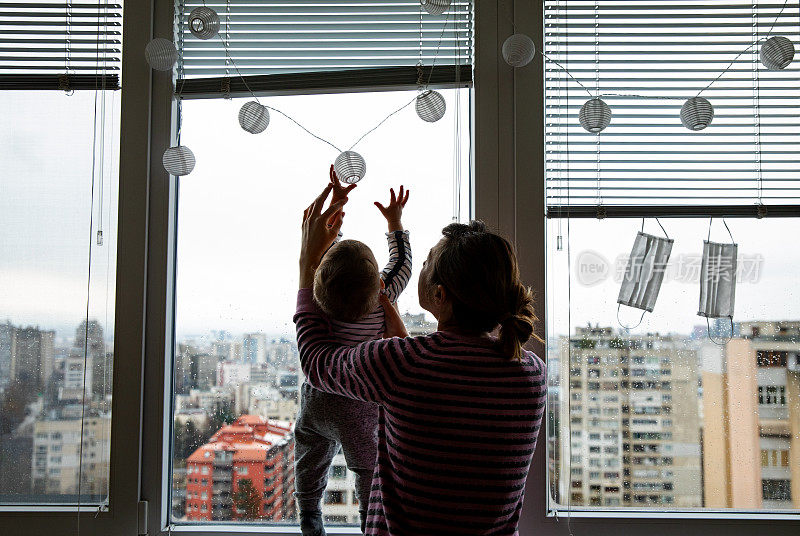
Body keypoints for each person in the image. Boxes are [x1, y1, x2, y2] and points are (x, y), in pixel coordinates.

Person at [294, 182, 547, 536]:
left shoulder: (402, 365)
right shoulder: (533, 374)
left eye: (427, 261)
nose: (422, 265)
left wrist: (308, 267)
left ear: (440, 294)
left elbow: (318, 363)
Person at [294, 166, 412, 536]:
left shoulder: (317, 302)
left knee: (310, 457)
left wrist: (332, 216)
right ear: (379, 281)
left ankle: (310, 515)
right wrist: (394, 223)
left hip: (318, 402)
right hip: (361, 405)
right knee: (366, 469)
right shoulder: (383, 296)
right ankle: (368, 522)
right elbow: (403, 264)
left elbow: (320, 265)